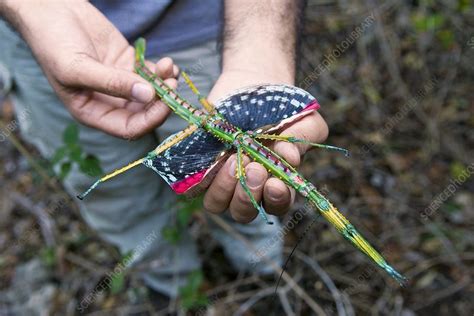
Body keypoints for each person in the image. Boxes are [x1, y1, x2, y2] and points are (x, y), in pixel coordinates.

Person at [0, 0, 328, 298]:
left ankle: (262, 277)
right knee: (121, 197)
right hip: (44, 42)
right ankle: (171, 287)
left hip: (201, 26)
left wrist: (260, 57)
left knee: (244, 189)